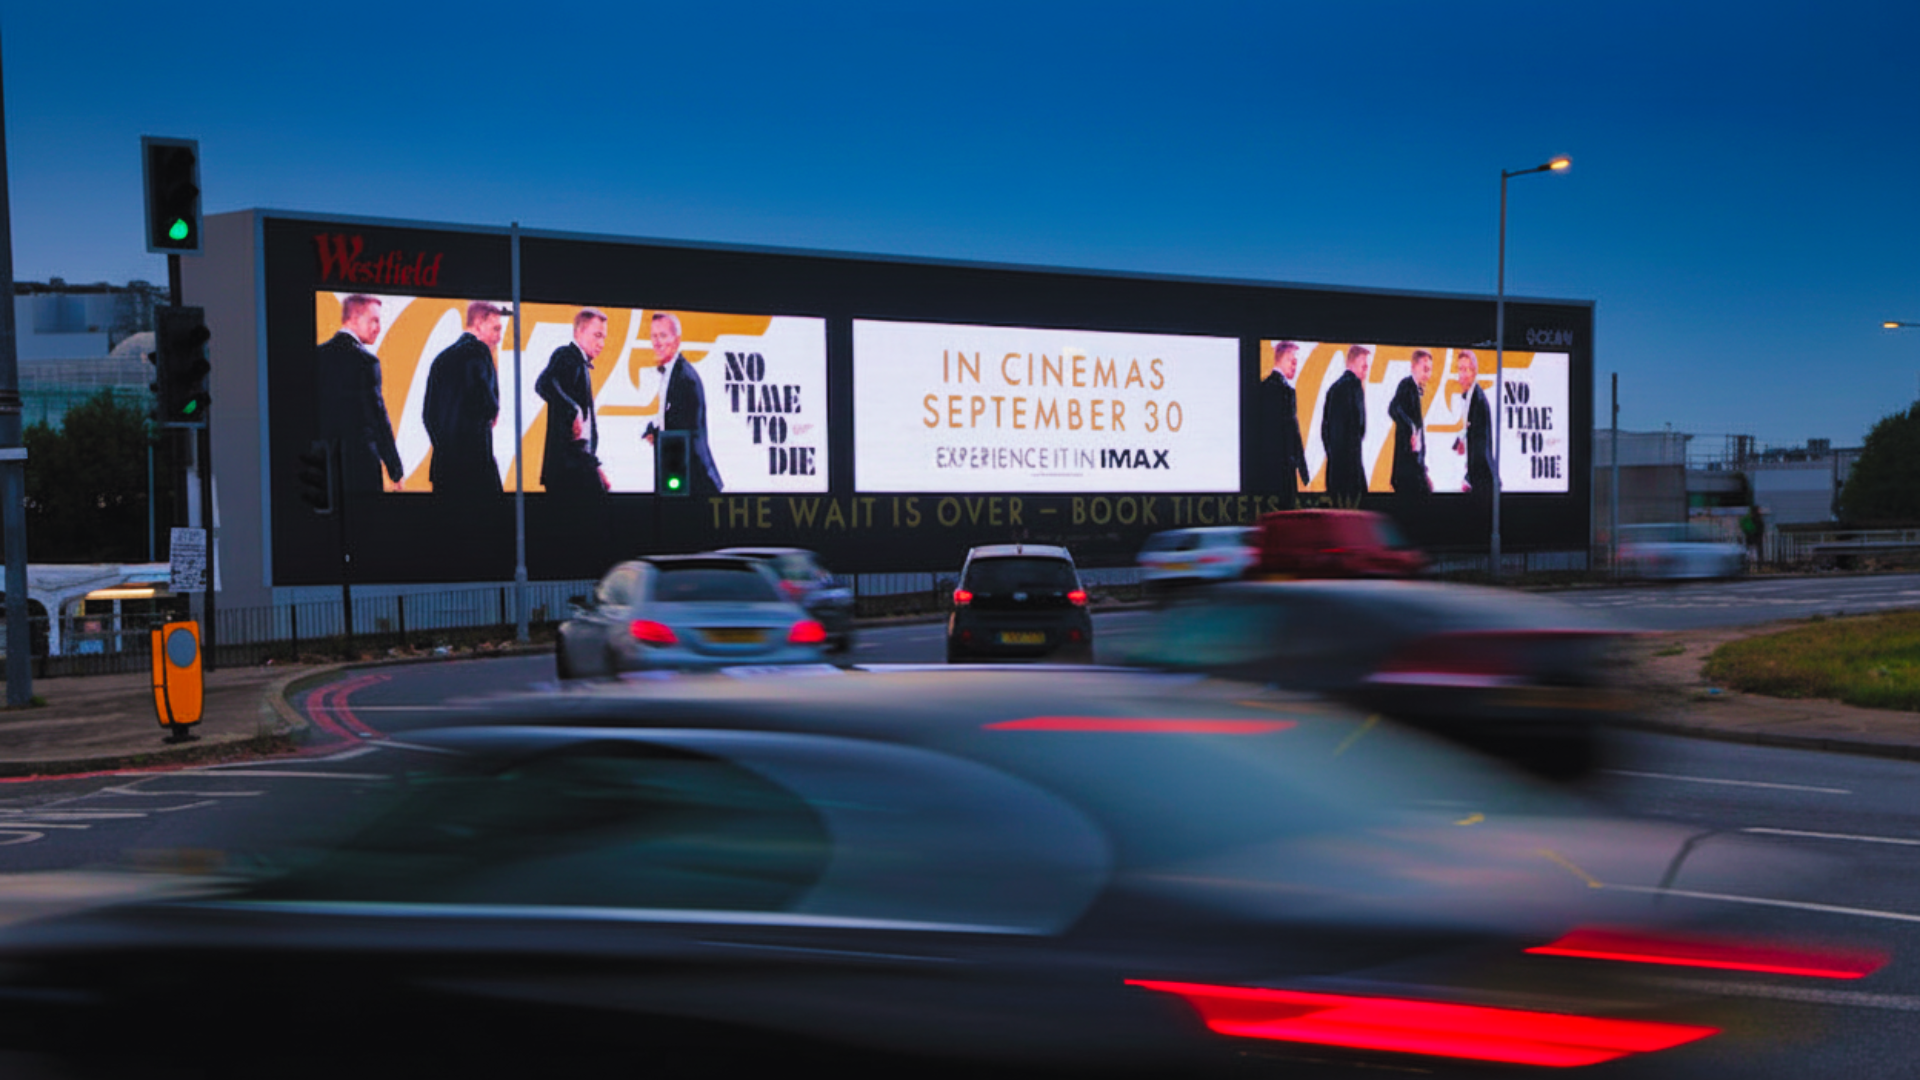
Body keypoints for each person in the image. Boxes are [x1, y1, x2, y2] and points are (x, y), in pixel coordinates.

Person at [314, 295, 404, 494]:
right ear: (354, 319)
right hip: (361, 467)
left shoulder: (317, 356)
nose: (378, 328)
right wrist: (395, 468)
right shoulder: (366, 362)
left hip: (324, 465)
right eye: (374, 320)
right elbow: (378, 418)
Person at [423, 301, 504, 497]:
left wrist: (444, 450)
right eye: (495, 329)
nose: (499, 337)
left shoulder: (441, 359)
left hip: (443, 469)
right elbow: (489, 405)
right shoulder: (480, 351)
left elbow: (428, 415)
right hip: (476, 470)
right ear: (478, 324)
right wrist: (493, 409)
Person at [642, 312, 724, 494]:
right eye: (654, 336)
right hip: (681, 476)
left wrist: (658, 437)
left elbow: (686, 432)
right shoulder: (672, 373)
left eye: (663, 336)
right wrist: (654, 428)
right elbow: (673, 414)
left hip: (694, 482)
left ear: (677, 340)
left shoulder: (685, 379)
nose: (657, 342)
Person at [535, 308, 610, 495]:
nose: (601, 344)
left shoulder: (579, 363)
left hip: (579, 464)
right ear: (578, 333)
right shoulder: (567, 355)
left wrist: (596, 467)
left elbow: (584, 433)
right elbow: (544, 383)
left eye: (604, 337)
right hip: (569, 469)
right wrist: (573, 410)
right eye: (597, 335)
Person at [1257, 341, 1311, 507]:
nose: (1295, 366)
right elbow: (1292, 431)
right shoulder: (1285, 391)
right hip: (1283, 469)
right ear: (1281, 359)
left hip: (1263, 468)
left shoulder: (1261, 388)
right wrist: (1303, 469)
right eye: (1291, 361)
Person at [1320, 344, 1370, 501]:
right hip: (1351, 471)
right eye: (1363, 363)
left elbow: (1325, 430)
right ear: (1352, 363)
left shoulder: (1333, 389)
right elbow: (1360, 428)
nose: (1367, 368)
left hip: (1334, 471)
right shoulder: (1354, 386)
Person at [1388, 349, 1434, 497]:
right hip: (1408, 470)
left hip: (1414, 467)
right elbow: (1393, 408)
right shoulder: (1406, 385)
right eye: (1425, 368)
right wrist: (1411, 428)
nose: (1428, 373)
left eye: (1430, 369)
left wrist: (1423, 469)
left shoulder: (1414, 388)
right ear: (1413, 367)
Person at [1452, 349, 1494, 496]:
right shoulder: (1470, 397)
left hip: (1482, 482)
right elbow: (1469, 427)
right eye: (1460, 369)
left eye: (1466, 370)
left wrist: (1469, 478)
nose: (1462, 375)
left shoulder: (1479, 401)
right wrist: (1461, 439)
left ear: (1474, 372)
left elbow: (1480, 449)